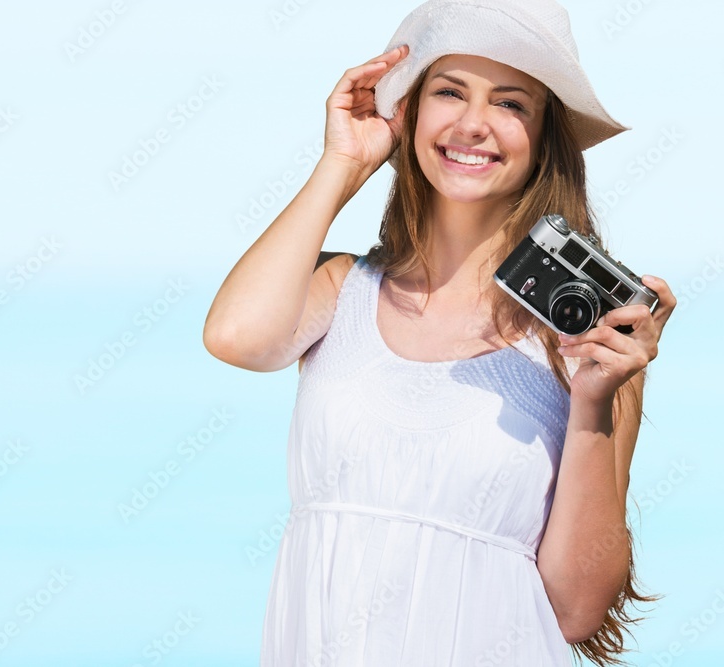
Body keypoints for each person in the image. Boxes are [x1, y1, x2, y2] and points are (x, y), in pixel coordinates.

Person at [202, 0, 675, 665]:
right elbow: (236, 336)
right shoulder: (343, 291)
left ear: (543, 139)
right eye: (449, 92)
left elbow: (575, 607)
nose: (474, 124)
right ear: (412, 113)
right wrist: (342, 164)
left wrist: (596, 395)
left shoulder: (588, 347)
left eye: (511, 104)